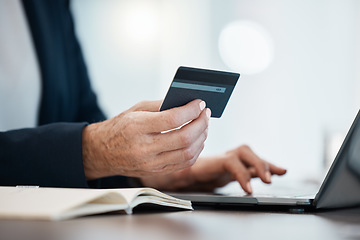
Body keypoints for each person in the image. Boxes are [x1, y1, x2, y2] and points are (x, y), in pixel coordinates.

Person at [0, 0, 286, 194]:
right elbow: (88, 144)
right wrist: (94, 150)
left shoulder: (49, 6)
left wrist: (164, 172)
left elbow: (82, 118)